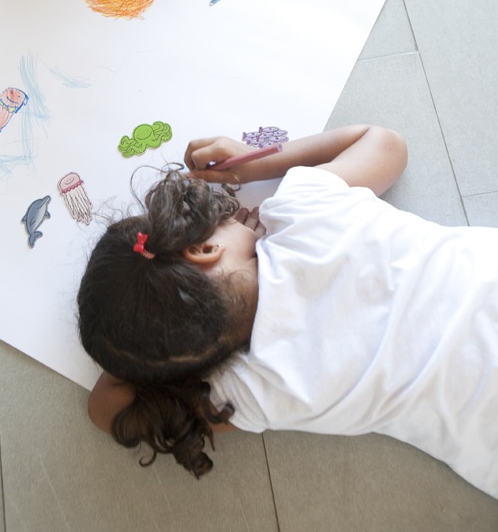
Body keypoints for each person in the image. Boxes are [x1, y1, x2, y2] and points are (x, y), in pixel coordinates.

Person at [77, 125, 498, 499]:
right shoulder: (305, 206)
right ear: (205, 249)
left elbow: (104, 407)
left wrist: (155, 340)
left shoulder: (254, 387)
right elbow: (386, 144)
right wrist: (255, 164)